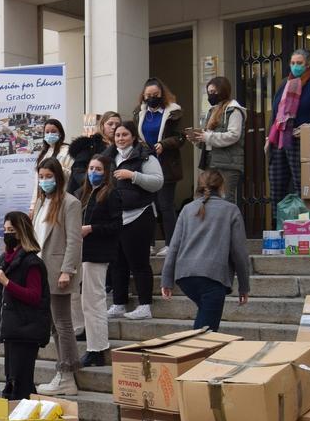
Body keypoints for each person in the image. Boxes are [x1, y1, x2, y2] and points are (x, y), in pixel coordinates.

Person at [160, 169, 251, 331]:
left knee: (204, 321)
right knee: (206, 331)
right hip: (212, 276)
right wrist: (244, 287)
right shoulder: (230, 210)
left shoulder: (187, 209)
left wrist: (167, 279)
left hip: (185, 275)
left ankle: (193, 354)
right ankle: (193, 355)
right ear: (222, 187)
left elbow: (174, 246)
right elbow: (239, 253)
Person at [30, 157, 82, 396]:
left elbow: (74, 240)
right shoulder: (42, 203)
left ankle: (67, 373)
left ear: (58, 177)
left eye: (48, 176)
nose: (44, 181)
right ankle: (63, 370)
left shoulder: (69, 203)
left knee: (62, 323)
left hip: (58, 271)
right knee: (53, 325)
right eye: (41, 177)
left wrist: (67, 270)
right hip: (40, 270)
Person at [105, 122, 165, 322]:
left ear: (133, 137)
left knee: (138, 263)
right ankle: (119, 303)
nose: (121, 138)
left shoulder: (144, 156)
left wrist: (133, 176)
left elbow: (158, 182)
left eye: (125, 134)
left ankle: (145, 305)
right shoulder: (109, 157)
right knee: (117, 263)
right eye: (117, 135)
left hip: (139, 215)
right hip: (116, 217)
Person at [0, 211, 51, 400]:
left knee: (20, 382)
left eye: (11, 230)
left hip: (26, 331)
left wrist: (7, 282)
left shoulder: (32, 263)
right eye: (5, 229)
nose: (7, 234)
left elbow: (34, 296)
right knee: (12, 380)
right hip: (11, 330)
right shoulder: (5, 260)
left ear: (21, 232)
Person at [269, 49, 310, 218]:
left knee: (302, 184)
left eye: (299, 63)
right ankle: (279, 224)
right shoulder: (284, 84)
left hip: (302, 140)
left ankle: (305, 222)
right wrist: (269, 136)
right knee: (277, 184)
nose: (295, 66)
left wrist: (309, 126)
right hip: (280, 139)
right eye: (293, 63)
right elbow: (275, 113)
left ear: (307, 64)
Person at [77, 155, 122, 367]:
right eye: (91, 167)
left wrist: (91, 229)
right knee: (88, 303)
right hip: (84, 253)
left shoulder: (110, 194)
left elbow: (116, 226)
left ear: (106, 172)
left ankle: (98, 349)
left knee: (94, 302)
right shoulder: (85, 194)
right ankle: (95, 345)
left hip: (98, 253)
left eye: (98, 168)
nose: (93, 171)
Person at [132, 78, 185, 254]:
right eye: (148, 95)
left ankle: (172, 244)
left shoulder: (173, 113)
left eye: (155, 95)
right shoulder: (140, 113)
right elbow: (135, 136)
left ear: (162, 95)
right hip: (147, 163)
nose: (152, 98)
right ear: (143, 96)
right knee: (148, 205)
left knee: (166, 205)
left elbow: (180, 137)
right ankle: (150, 243)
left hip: (166, 164)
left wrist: (164, 144)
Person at [189, 76, 246, 204]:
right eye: (209, 92)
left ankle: (229, 224)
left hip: (228, 164)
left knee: (226, 200)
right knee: (205, 198)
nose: (211, 95)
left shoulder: (234, 110)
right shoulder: (212, 110)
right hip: (211, 161)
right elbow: (208, 138)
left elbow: (233, 135)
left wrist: (207, 136)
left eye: (214, 92)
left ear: (223, 90)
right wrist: (196, 138)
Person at [66, 111, 122, 194]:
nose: (114, 127)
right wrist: (92, 183)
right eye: (110, 124)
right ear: (102, 125)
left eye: (117, 125)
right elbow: (78, 171)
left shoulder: (122, 146)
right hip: (87, 192)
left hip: (112, 192)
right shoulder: (90, 145)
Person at [35, 118, 73, 183]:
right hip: (42, 192)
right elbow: (37, 179)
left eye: (53, 131)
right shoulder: (44, 153)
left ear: (60, 133)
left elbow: (72, 175)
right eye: (47, 132)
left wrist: (55, 168)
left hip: (61, 190)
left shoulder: (67, 151)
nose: (50, 134)